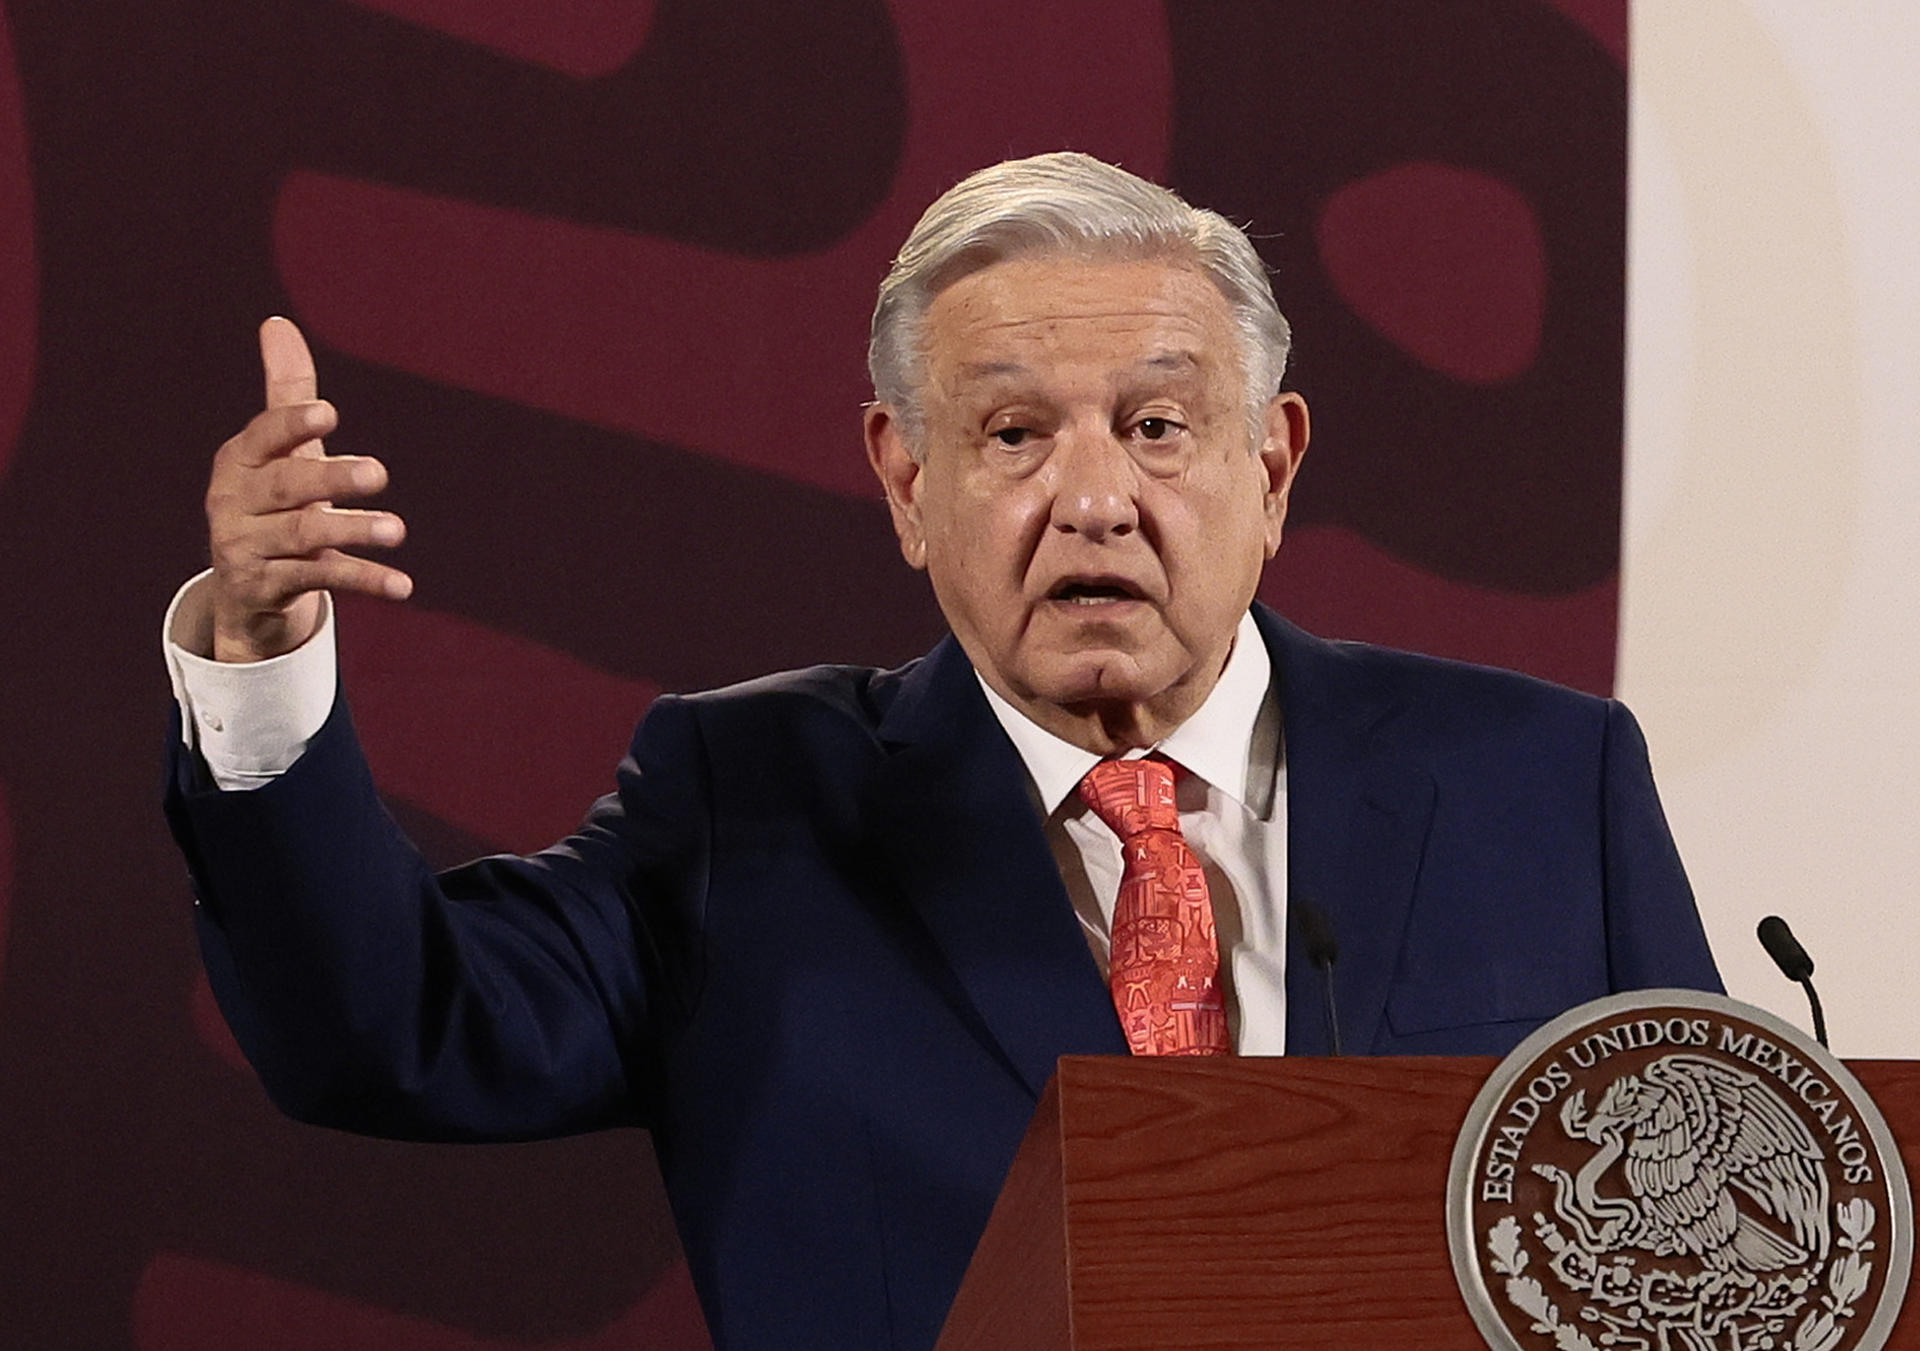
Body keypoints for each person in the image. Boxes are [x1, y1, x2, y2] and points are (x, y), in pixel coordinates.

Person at [163, 153, 1720, 1351]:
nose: (1095, 498)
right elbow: (390, 1028)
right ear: (905, 482)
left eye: (1160, 427)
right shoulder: (746, 809)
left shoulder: (1541, 782)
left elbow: (1721, 1240)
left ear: (1275, 462)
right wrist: (262, 666)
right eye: (1013, 434)